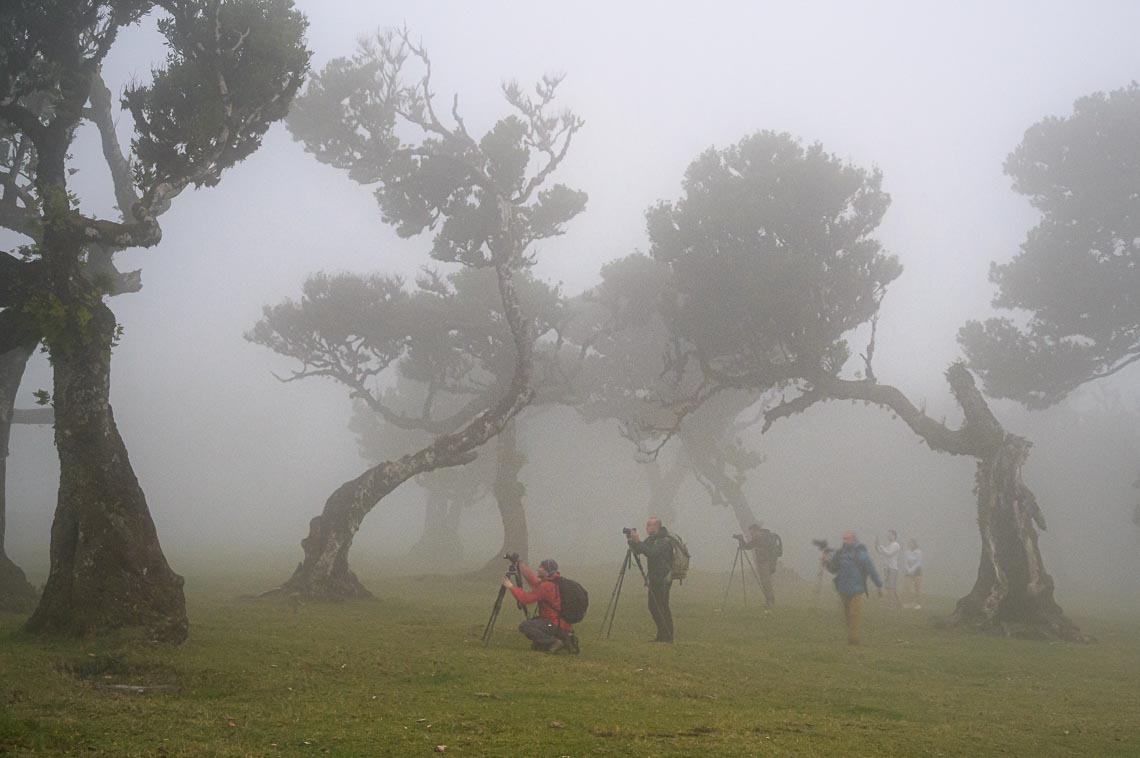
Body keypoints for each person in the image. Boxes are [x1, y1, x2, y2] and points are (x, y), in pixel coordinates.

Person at [502, 558, 575, 653]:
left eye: (540, 567)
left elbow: (525, 599)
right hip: (562, 624)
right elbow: (533, 580)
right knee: (535, 622)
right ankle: (565, 638)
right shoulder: (552, 581)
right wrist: (520, 564)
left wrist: (511, 587)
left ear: (546, 570)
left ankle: (554, 642)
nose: (537, 569)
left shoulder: (546, 586)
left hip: (553, 623)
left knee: (525, 626)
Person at [823, 531, 882, 645]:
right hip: (843, 589)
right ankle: (852, 635)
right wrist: (825, 561)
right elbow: (833, 569)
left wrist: (878, 584)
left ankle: (853, 640)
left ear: (854, 540)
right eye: (843, 539)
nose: (845, 541)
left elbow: (871, 569)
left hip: (857, 589)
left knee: (854, 614)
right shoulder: (840, 554)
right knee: (847, 615)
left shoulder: (861, 554)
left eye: (847, 539)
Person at [627, 516, 674, 643]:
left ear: (658, 526)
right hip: (654, 577)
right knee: (653, 606)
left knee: (662, 606)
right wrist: (632, 540)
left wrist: (639, 542)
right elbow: (639, 550)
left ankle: (668, 636)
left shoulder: (664, 541)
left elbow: (652, 553)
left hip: (663, 578)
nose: (648, 527)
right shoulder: (651, 539)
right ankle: (661, 635)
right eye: (647, 525)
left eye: (651, 525)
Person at [740, 521, 779, 608]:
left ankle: (770, 601)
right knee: (766, 582)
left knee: (766, 582)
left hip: (764, 562)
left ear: (756, 530)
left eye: (752, 532)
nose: (751, 535)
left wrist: (741, 540)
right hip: (767, 561)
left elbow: (748, 546)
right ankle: (769, 601)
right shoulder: (764, 537)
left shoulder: (760, 538)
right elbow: (749, 546)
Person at [875, 529, 901, 610]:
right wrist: (876, 545)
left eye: (890, 534)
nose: (888, 536)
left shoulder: (896, 545)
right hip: (887, 568)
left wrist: (881, 547)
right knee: (889, 587)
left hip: (892, 568)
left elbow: (889, 554)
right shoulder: (889, 545)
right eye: (888, 534)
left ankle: (891, 605)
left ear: (894, 536)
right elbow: (881, 552)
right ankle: (898, 603)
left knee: (891, 588)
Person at [903, 538, 923, 609]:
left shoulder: (919, 552)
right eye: (909, 543)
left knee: (917, 587)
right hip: (908, 571)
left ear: (915, 544)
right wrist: (908, 570)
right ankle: (909, 602)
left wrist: (912, 570)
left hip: (917, 571)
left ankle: (918, 604)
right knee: (907, 587)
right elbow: (905, 562)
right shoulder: (907, 552)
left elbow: (918, 562)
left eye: (912, 543)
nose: (910, 544)